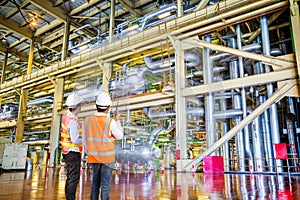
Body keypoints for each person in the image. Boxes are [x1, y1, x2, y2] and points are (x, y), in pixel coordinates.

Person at [83, 92, 123, 200]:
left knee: (95, 184)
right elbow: (120, 135)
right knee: (105, 185)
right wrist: (117, 119)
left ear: (96, 106)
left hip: (93, 158)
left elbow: (84, 140)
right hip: (107, 159)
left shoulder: (87, 121)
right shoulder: (110, 122)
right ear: (108, 108)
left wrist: (89, 153)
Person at [60, 93, 83, 200]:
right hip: (73, 152)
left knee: (70, 177)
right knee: (73, 178)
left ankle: (69, 197)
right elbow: (75, 139)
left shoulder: (65, 117)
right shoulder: (73, 122)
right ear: (78, 107)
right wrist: (84, 141)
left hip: (66, 151)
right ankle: (70, 198)